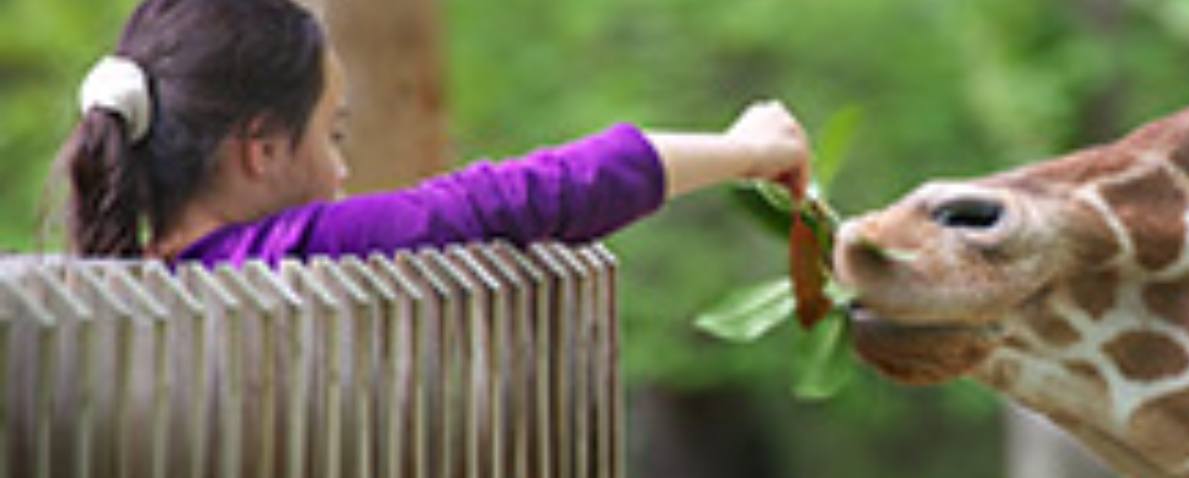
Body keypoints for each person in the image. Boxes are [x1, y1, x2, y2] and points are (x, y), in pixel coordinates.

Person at [55, 0, 810, 265]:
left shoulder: (133, 277)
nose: (343, 171)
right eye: (334, 135)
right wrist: (745, 150)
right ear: (261, 151)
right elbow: (524, 197)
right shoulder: (286, 255)